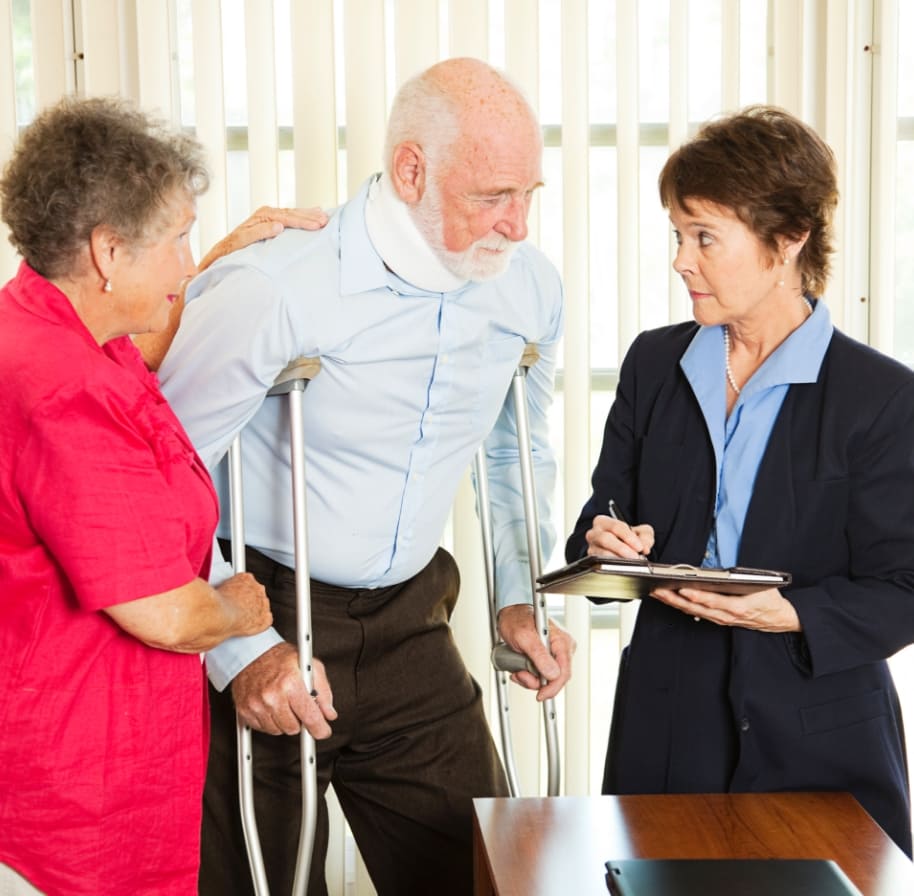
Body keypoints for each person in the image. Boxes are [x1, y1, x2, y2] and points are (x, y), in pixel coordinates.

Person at [158, 57, 576, 896]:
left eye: (529, 192)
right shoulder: (273, 287)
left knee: (482, 875)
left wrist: (519, 594)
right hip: (269, 604)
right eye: (494, 195)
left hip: (413, 617)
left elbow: (513, 454)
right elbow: (161, 473)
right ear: (411, 170)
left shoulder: (526, 290)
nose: (518, 224)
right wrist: (240, 651)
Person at [566, 105, 914, 856]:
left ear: (787, 242)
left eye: (704, 237)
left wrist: (785, 613)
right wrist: (605, 539)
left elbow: (903, 590)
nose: (681, 261)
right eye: (678, 235)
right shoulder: (654, 365)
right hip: (663, 732)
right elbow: (600, 522)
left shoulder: (880, 396)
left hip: (820, 743)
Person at [0, 96, 326, 896]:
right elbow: (166, 613)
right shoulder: (61, 387)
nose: (185, 263)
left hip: (80, 758)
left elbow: (142, 345)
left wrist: (209, 265)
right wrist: (243, 612)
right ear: (108, 251)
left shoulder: (57, 326)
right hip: (80, 789)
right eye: (176, 238)